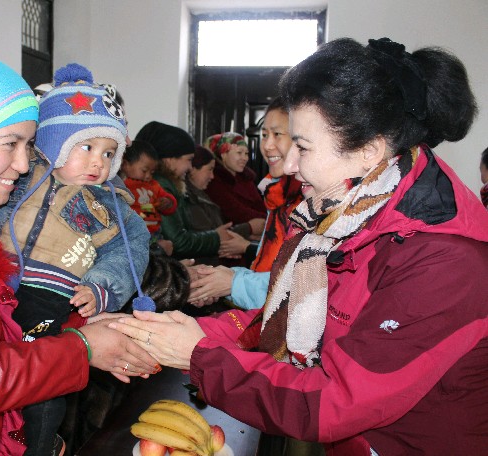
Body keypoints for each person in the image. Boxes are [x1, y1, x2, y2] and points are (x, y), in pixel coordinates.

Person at [113, 37, 488, 455]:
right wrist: (195, 332)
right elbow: (286, 317)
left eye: (303, 148)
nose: (289, 165)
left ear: (369, 151)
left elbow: (333, 401)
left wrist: (201, 357)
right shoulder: (351, 215)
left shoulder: (445, 261)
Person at [0, 54, 158, 456]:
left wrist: (92, 302)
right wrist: (82, 348)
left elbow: (128, 251)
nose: (23, 164)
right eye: (11, 144)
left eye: (29, 145)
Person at [188, 98, 303, 308]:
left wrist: (232, 282)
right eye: (264, 135)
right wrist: (221, 280)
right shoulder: (278, 192)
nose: (267, 145)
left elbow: (302, 288)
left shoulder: (309, 199)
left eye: (277, 134)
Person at [134, 121, 239, 261]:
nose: (190, 167)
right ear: (169, 159)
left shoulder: (167, 185)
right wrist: (216, 237)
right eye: (188, 159)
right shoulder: (161, 188)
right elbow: (178, 242)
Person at [184, 145, 257, 266]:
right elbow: (212, 236)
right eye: (209, 169)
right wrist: (249, 228)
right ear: (193, 169)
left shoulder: (201, 195)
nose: (212, 176)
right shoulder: (189, 199)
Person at [204, 132, 266, 239]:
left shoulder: (246, 178)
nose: (244, 158)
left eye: (246, 153)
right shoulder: (214, 181)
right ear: (223, 154)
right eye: (239, 152)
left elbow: (260, 206)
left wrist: (269, 220)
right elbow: (236, 212)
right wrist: (269, 220)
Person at [121, 139, 177, 255]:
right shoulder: (123, 186)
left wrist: (168, 202)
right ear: (125, 165)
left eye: (151, 172)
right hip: (134, 233)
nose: (148, 176)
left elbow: (169, 202)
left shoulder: (154, 185)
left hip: (155, 232)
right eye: (144, 170)